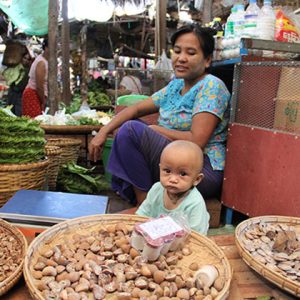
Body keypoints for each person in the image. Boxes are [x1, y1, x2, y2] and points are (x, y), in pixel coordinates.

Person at [89, 24, 231, 206]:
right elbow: (136, 109)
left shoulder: (212, 86)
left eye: (191, 52)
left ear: (207, 60)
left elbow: (197, 141)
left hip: (199, 171)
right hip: (173, 163)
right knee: (130, 125)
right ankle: (149, 204)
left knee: (131, 130)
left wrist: (156, 130)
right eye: (177, 51)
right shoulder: (176, 85)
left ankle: (145, 207)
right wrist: (103, 131)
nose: (181, 58)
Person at [136, 140, 209, 234]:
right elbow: (142, 214)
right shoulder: (157, 189)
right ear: (160, 169)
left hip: (183, 242)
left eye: (182, 174)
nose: (173, 179)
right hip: (155, 238)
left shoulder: (195, 203)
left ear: (197, 179)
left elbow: (196, 236)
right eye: (167, 171)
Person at [22, 38, 49, 118]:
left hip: (37, 95)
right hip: (33, 95)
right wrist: (43, 102)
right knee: (35, 123)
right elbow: (39, 86)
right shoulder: (41, 62)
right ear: (46, 48)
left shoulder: (45, 60)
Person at [4, 51, 32, 116]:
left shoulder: (28, 71)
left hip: (20, 94)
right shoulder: (15, 67)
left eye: (28, 59)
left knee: (17, 113)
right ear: (21, 58)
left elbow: (22, 85)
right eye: (25, 58)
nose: (26, 60)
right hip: (12, 93)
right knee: (9, 112)